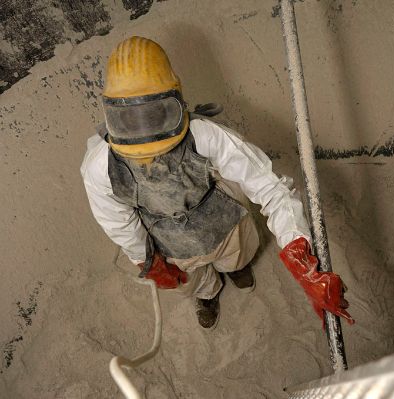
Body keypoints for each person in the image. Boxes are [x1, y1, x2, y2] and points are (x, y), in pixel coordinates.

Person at [80, 36, 353, 329]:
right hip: (168, 242)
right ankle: (208, 293)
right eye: (130, 118)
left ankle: (237, 269)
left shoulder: (204, 135)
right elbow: (117, 220)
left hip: (221, 220)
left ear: (175, 102)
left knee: (237, 254)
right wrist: (146, 260)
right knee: (192, 280)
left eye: (153, 114)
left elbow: (270, 187)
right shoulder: (99, 167)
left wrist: (299, 251)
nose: (145, 132)